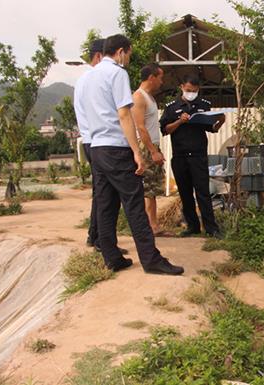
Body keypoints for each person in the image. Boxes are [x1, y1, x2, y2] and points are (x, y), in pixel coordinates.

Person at [81, 34, 183, 275]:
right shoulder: (117, 73)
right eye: (128, 54)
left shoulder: (88, 77)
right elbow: (125, 115)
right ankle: (151, 259)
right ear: (120, 51)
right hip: (116, 147)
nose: (128, 59)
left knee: (105, 205)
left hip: (96, 147)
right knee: (134, 203)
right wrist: (136, 152)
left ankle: (112, 257)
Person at [73, 38, 128, 255]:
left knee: (102, 193)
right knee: (106, 196)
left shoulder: (84, 80)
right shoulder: (98, 77)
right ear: (99, 56)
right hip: (101, 141)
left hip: (92, 141)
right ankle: (99, 240)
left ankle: (96, 237)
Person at [159, 74, 225, 238]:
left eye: (195, 91)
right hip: (180, 156)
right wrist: (179, 121)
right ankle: (192, 226)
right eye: (189, 90)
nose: (191, 93)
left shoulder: (203, 105)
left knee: (203, 193)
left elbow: (213, 128)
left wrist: (220, 121)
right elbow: (165, 130)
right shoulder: (172, 107)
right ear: (182, 87)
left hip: (198, 156)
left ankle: (211, 228)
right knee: (185, 193)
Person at [131, 63, 167, 235]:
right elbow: (140, 127)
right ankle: (150, 227)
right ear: (151, 77)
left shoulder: (149, 97)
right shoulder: (138, 97)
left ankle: (153, 225)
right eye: (160, 78)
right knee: (148, 188)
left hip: (152, 145)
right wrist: (153, 151)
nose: (162, 82)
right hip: (146, 147)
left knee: (152, 189)